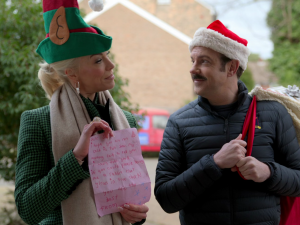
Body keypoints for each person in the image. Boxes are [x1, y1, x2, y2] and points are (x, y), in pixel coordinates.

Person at [14, 0, 148, 224]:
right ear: (72, 74)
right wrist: (76, 158)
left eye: (106, 55)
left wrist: (137, 215)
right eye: (98, 60)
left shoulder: (127, 120)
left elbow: (130, 199)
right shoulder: (38, 121)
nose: (110, 65)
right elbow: (28, 209)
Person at [154, 20, 300, 225]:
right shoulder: (179, 122)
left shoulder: (273, 113)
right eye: (192, 61)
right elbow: (165, 199)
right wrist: (214, 163)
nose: (193, 69)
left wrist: (268, 172)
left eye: (203, 61)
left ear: (232, 67)